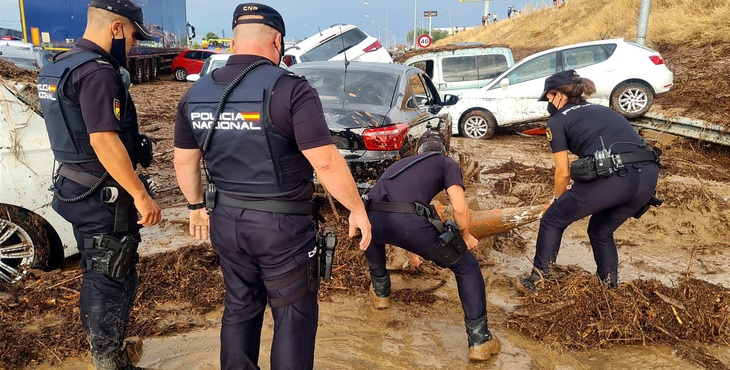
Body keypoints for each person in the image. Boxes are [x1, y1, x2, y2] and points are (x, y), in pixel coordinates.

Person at [172, 3, 371, 369]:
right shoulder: (289, 89)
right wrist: (356, 209)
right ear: (277, 40)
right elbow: (325, 160)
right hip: (282, 229)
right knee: (293, 317)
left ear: (235, 39)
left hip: (226, 222)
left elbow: (184, 161)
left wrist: (195, 207)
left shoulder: (195, 94)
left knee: (239, 308)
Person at [36, 0, 161, 369]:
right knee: (110, 274)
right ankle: (108, 360)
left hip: (74, 184)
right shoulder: (97, 72)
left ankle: (108, 352)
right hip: (101, 191)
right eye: (134, 36)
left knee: (99, 269)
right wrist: (140, 195)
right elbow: (103, 139)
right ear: (117, 29)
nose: (135, 46)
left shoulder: (57, 66)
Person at [514, 70, 661, 295]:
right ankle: (608, 287)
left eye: (549, 97)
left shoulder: (557, 120)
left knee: (552, 219)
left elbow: (562, 172)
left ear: (558, 95)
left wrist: (556, 200)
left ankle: (537, 282)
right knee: (601, 230)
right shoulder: (603, 110)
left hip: (615, 178)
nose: (548, 103)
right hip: (647, 178)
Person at [362, 131, 501, 362]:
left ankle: (381, 294)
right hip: (406, 223)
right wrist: (465, 237)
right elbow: (459, 208)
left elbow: (397, 207)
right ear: (445, 151)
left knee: (375, 235)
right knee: (466, 266)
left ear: (418, 151)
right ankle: (480, 340)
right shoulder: (446, 162)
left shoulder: (401, 165)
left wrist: (413, 250)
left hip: (370, 218)